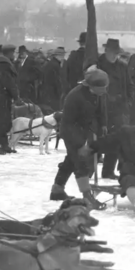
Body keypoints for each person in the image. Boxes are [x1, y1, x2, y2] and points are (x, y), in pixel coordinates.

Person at [50, 69, 109, 209]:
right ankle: (88, 197)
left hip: (84, 130)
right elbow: (68, 122)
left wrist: (104, 125)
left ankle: (57, 190)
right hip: (70, 131)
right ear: (90, 86)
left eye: (105, 88)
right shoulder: (74, 96)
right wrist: (78, 144)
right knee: (80, 161)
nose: (104, 92)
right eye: (101, 89)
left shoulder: (100, 94)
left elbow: (102, 110)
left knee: (71, 160)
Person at [96, 38, 132, 180]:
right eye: (112, 52)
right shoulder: (98, 65)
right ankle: (88, 171)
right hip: (100, 107)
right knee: (99, 139)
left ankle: (108, 171)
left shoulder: (123, 66)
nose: (114, 55)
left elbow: (129, 85)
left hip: (118, 108)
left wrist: (128, 101)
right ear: (106, 51)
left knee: (117, 140)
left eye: (116, 53)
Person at [0, 44, 20, 155]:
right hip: (2, 96)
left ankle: (4, 144)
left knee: (6, 121)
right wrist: (16, 96)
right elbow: (9, 83)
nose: (15, 55)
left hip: (3, 96)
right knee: (2, 122)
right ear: (9, 53)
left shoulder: (3, 64)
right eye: (14, 52)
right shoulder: (4, 65)